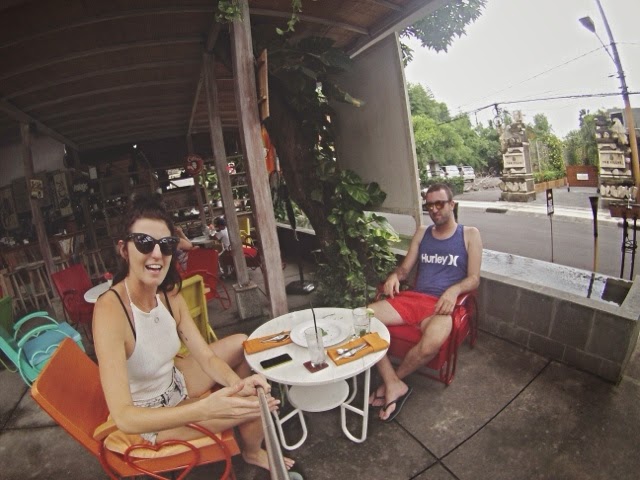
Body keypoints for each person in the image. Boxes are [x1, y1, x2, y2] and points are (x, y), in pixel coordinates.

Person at [92, 195, 294, 471]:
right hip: (150, 418)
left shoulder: (169, 294)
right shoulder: (110, 310)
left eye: (166, 244)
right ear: (124, 249)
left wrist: (237, 385)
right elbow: (124, 418)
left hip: (176, 381)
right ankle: (252, 451)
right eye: (144, 242)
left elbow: (206, 357)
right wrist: (205, 408)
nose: (156, 254)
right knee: (257, 405)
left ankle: (243, 416)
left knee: (242, 345)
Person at [368, 183, 483, 422]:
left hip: (443, 305)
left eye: (439, 203)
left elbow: (474, 278)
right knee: (363, 319)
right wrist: (394, 276)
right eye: (429, 205)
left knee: (430, 344)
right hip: (414, 299)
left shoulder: (470, 234)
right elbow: (404, 269)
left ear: (452, 204)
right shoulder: (422, 232)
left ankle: (392, 382)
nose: (434, 209)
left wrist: (454, 290)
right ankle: (393, 383)